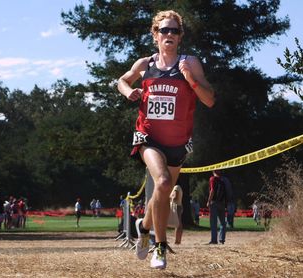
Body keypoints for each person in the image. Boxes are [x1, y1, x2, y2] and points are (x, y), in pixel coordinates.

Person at [117, 10, 215, 269]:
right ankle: (159, 247)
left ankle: (144, 226)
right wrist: (128, 91)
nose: (169, 34)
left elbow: (209, 99)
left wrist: (190, 80)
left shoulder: (190, 63)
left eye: (174, 30)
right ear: (155, 35)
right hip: (148, 136)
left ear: (180, 36)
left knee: (161, 192)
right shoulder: (145, 64)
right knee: (162, 182)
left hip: (178, 142)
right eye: (164, 30)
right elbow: (122, 80)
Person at [207, 170, 227, 244]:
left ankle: (214, 240)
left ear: (213, 171)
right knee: (222, 223)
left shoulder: (212, 179)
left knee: (213, 222)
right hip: (222, 203)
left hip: (214, 203)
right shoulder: (223, 181)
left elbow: (212, 190)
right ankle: (222, 239)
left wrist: (209, 200)